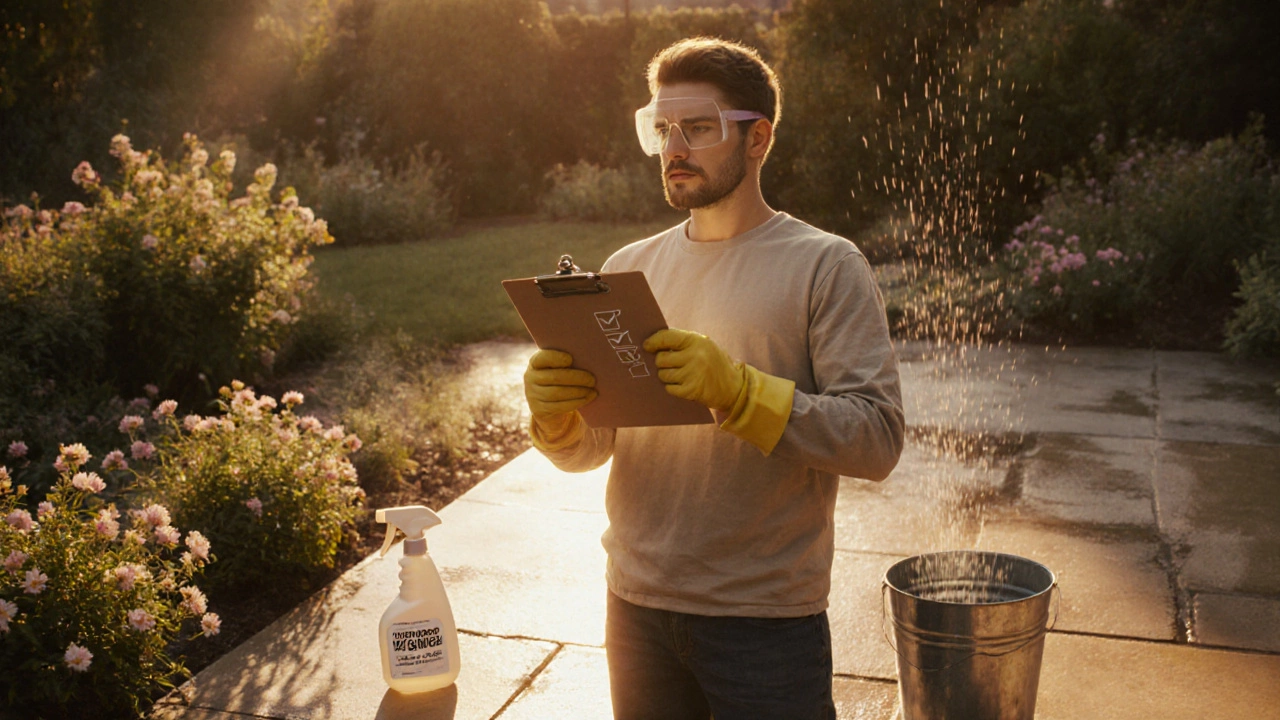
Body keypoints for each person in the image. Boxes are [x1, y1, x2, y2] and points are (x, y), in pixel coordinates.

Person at [522, 37, 904, 719]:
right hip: (634, 606)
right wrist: (556, 422)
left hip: (764, 624)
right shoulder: (629, 268)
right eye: (662, 128)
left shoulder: (825, 265)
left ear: (757, 139)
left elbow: (875, 440)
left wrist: (739, 391)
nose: (674, 147)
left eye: (698, 128)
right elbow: (596, 447)